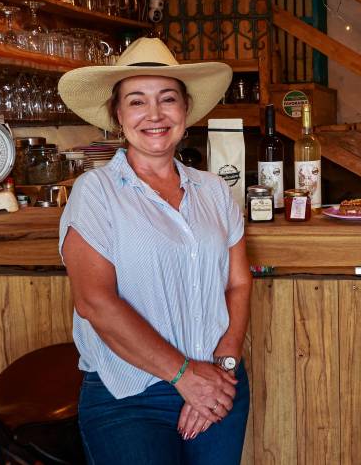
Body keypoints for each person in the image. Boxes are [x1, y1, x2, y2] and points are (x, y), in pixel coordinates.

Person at [57, 37, 252, 465]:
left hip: (219, 384)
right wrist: (186, 377)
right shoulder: (96, 193)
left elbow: (238, 282)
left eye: (168, 99)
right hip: (128, 397)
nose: (155, 114)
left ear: (185, 110)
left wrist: (225, 365)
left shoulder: (215, 191)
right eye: (137, 101)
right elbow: (95, 302)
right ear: (118, 115)